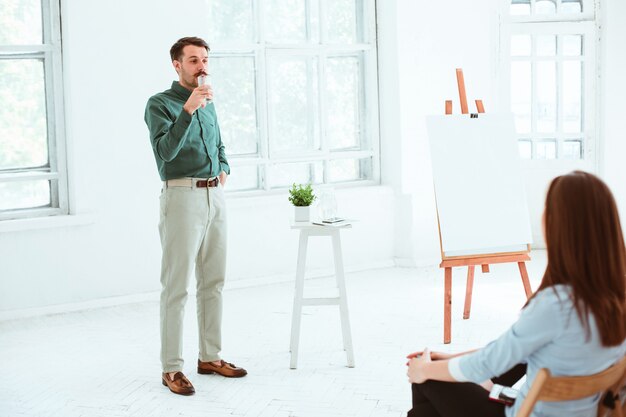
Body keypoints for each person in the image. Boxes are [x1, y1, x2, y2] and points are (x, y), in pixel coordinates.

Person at [406, 170, 626, 417]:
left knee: (426, 377)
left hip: (528, 413)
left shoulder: (557, 305)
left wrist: (424, 370)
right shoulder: (616, 294)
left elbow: (487, 364)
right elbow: (509, 350)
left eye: (547, 208)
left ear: (559, 224)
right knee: (426, 410)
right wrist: (452, 357)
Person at [144, 36, 247, 396]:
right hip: (181, 197)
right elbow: (165, 153)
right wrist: (187, 110)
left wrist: (224, 165)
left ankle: (210, 357)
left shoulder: (209, 101)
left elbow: (218, 141)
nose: (202, 66)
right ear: (177, 64)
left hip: (213, 196)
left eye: (204, 59)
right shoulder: (160, 104)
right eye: (193, 60)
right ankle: (171, 368)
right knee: (176, 287)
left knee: (214, 281)